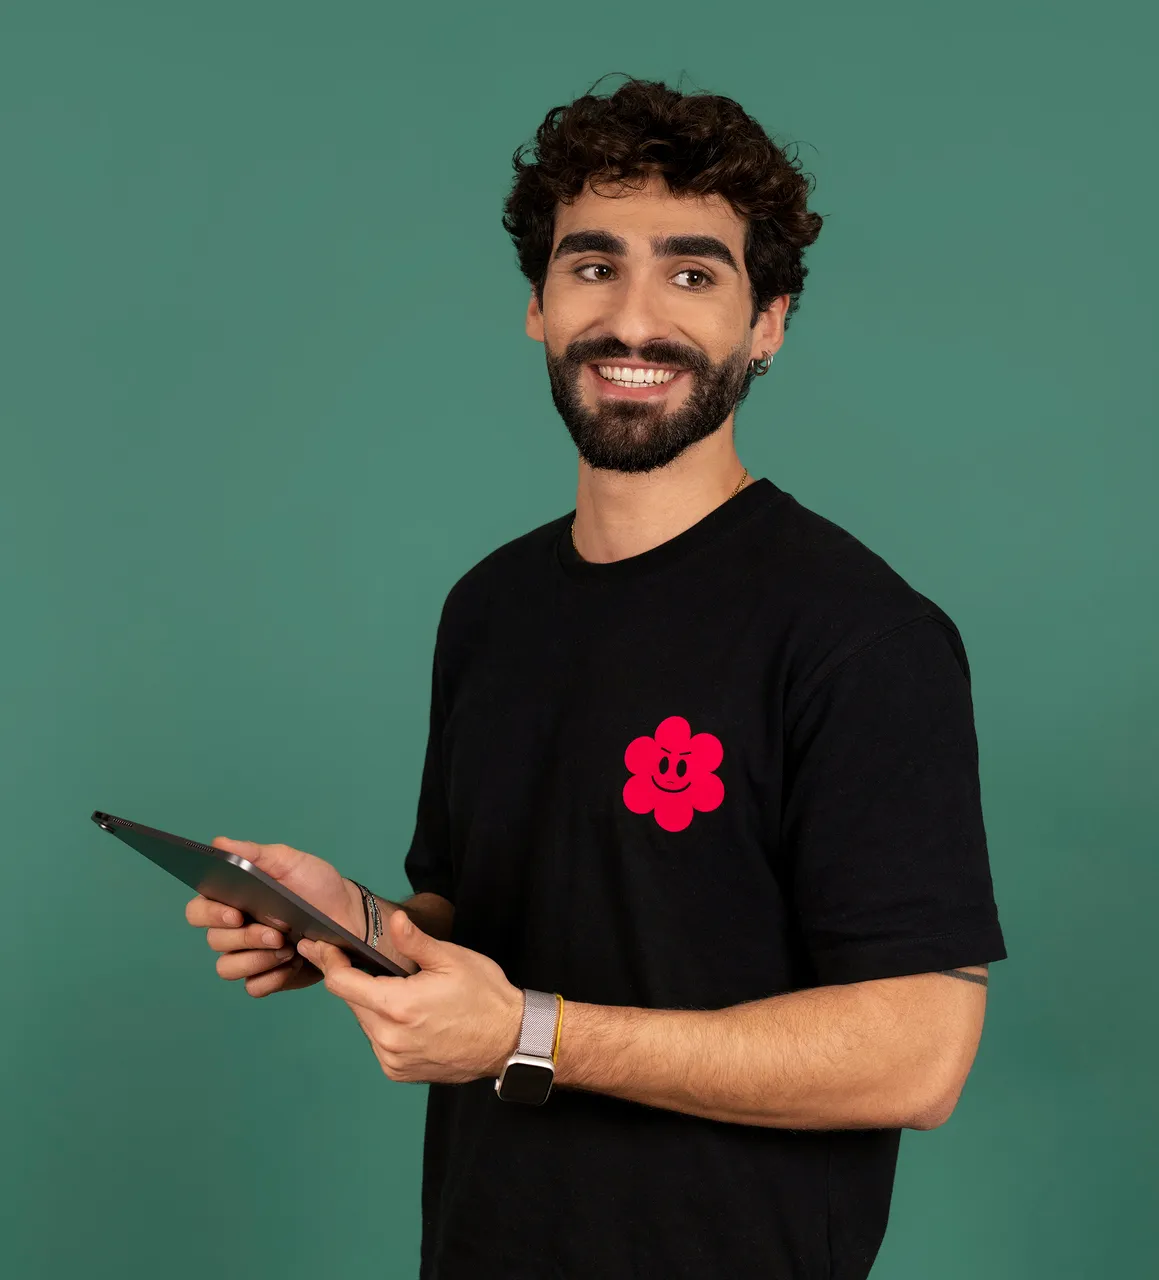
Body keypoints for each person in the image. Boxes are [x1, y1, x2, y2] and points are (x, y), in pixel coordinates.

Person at [186, 77, 1007, 1280]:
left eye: (691, 273)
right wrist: (348, 925)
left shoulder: (860, 635)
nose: (633, 319)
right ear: (535, 303)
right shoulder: (491, 607)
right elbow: (491, 925)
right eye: (591, 265)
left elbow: (919, 1056)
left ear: (767, 320)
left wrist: (524, 1033)